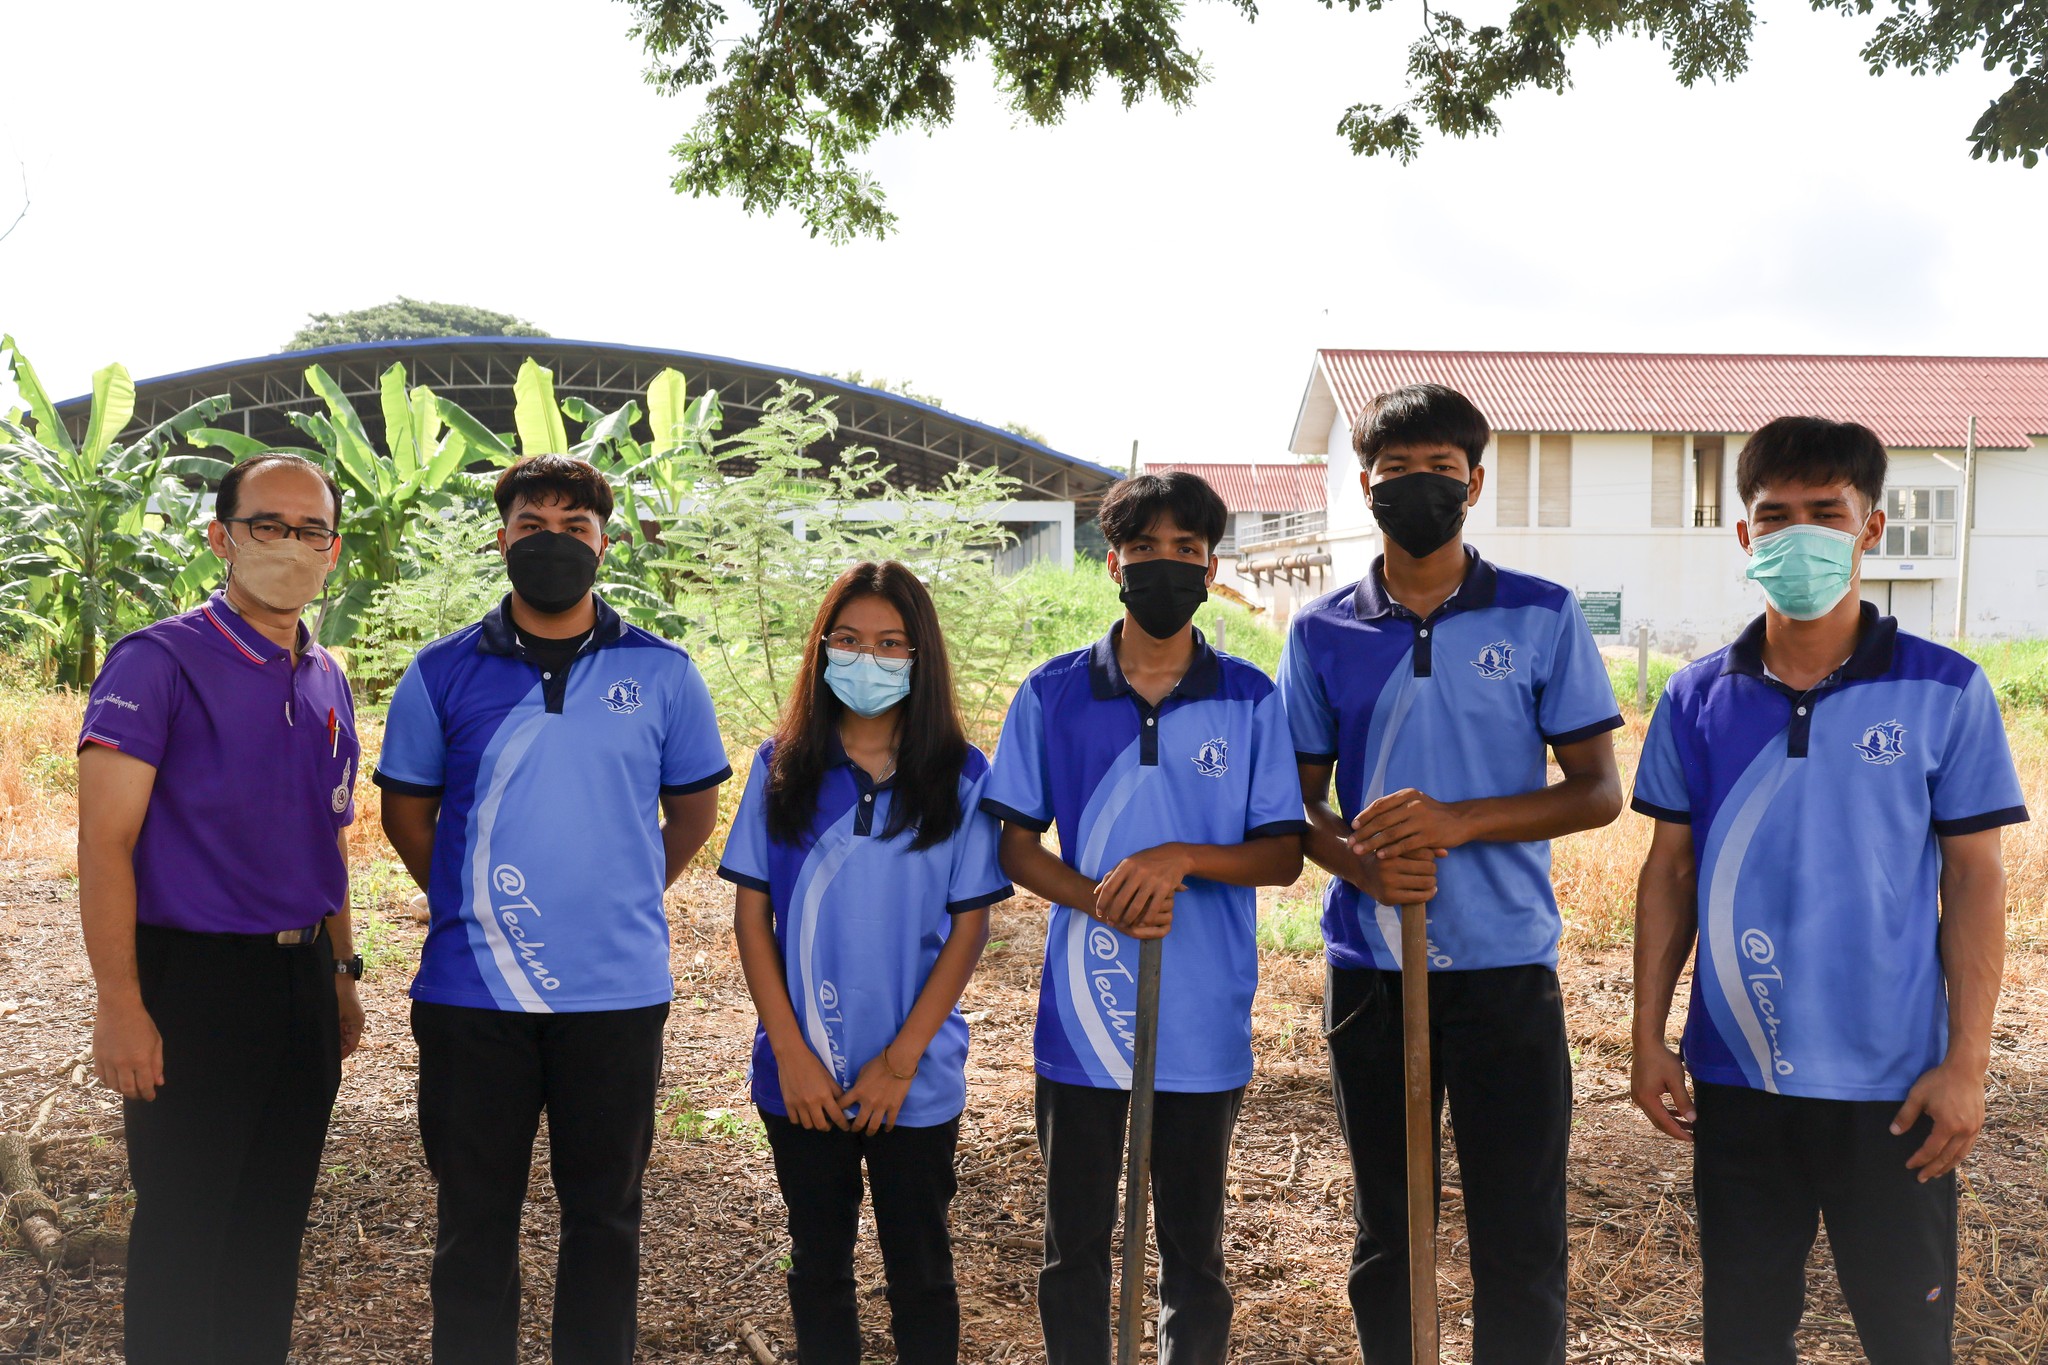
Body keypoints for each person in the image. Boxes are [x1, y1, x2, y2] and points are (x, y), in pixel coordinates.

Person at [1629, 416, 2027, 1364]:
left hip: (1893, 1087)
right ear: (1744, 538)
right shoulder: (1695, 698)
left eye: (1825, 511)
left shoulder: (1947, 690)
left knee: (1905, 1333)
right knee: (1745, 1333)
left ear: (1870, 528)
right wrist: (1647, 1036)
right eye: (1774, 516)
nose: (1797, 533)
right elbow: (1669, 870)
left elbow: (1974, 881)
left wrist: (1966, 1065)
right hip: (1740, 1075)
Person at [1277, 384, 1624, 1365]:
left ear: (1472, 483)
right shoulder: (1320, 632)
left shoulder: (1539, 614)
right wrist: (1359, 861)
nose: (1416, 491)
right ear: (1364, 486)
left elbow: (1595, 790)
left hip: (1505, 968)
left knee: (1518, 1238)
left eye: (1438, 474)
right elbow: (1295, 806)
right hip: (1373, 973)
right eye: (1395, 476)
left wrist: (1456, 822)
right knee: (1389, 1232)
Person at [374, 454, 730, 1365]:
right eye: (533, 525)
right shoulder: (440, 671)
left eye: (576, 528)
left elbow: (692, 810)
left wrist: (618, 889)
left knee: (606, 1217)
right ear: (501, 540)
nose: (554, 543)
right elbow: (407, 812)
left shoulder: (663, 671)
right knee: (472, 1219)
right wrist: (467, 897)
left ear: (604, 545)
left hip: (614, 995)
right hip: (471, 996)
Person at [981, 470, 1308, 1365]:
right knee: (1074, 1240)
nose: (1167, 566)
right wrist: (1098, 897)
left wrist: (1184, 858)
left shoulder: (1249, 696)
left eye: (1188, 551)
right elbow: (1016, 844)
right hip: (1082, 1018)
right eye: (1147, 549)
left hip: (1202, 1012)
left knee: (1192, 1246)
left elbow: (1282, 852)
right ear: (1113, 561)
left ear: (1210, 568)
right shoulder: (1053, 693)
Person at [75, 451, 364, 1364]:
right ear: (222, 538)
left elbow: (331, 837)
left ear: (333, 549)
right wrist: (120, 1003)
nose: (288, 545)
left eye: (308, 530)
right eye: (265, 526)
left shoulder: (326, 675)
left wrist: (344, 971)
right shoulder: (158, 661)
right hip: (192, 980)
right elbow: (103, 843)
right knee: (185, 1229)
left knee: (270, 1228)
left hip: (301, 977)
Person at [718, 561, 1010, 1365]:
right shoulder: (782, 766)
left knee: (922, 1271)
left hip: (913, 1078)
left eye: (890, 643)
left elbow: (968, 929)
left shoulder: (962, 777)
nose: (867, 659)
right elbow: (751, 917)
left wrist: (900, 1061)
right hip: (801, 1076)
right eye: (847, 640)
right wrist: (792, 1054)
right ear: (820, 650)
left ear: (920, 658)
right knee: (818, 1266)